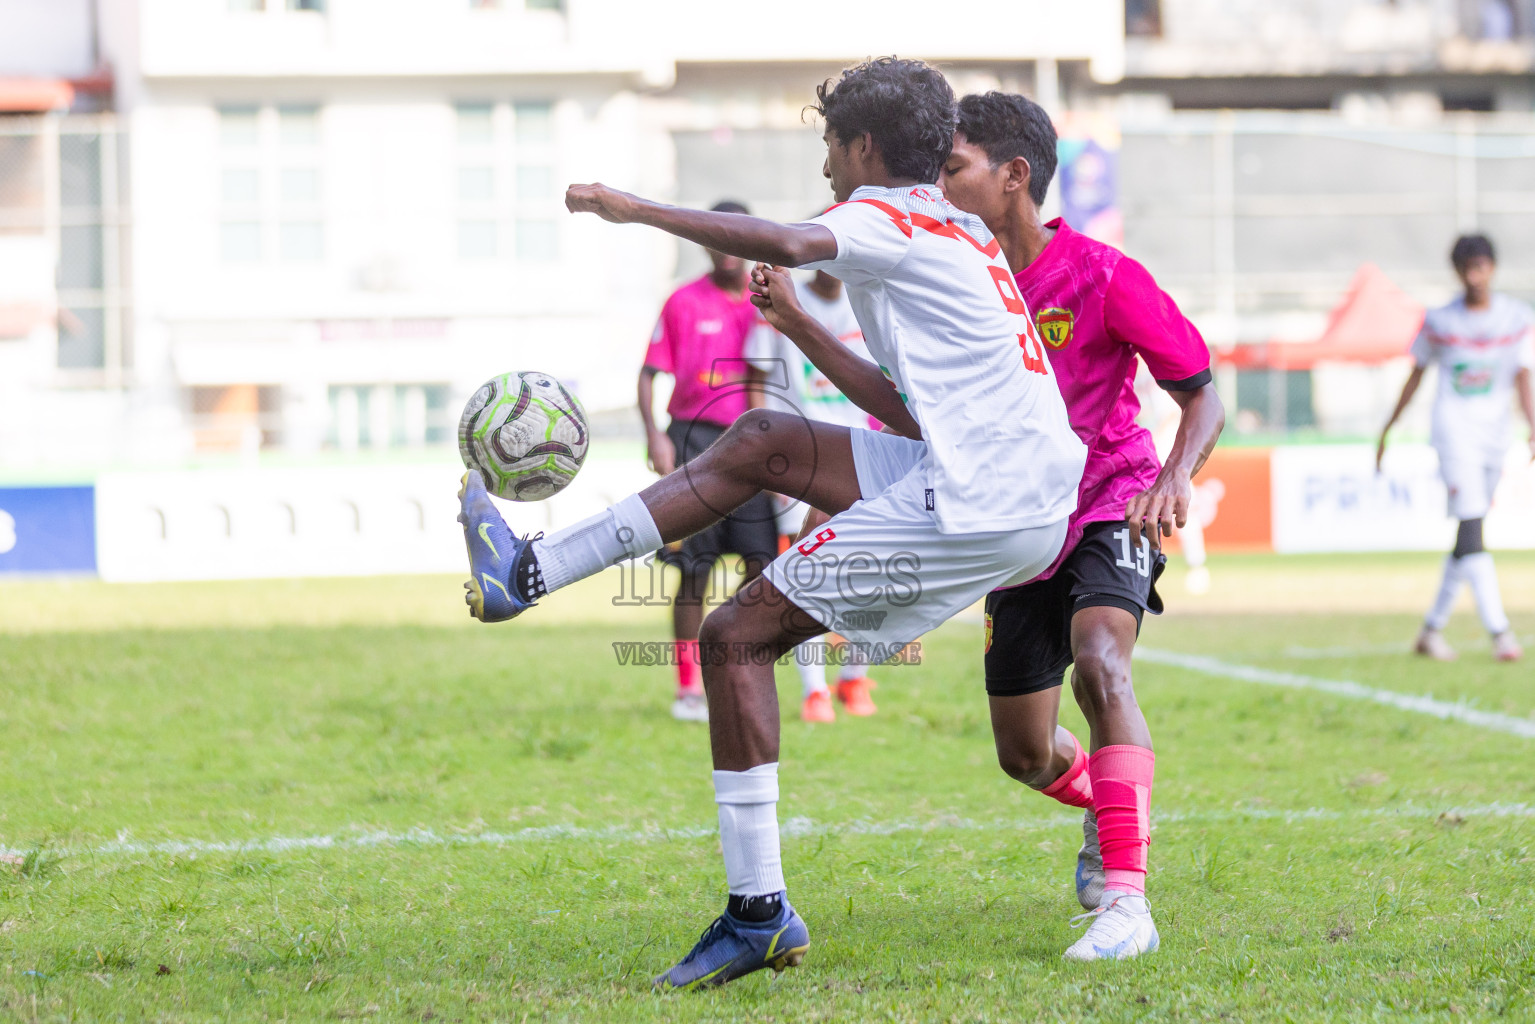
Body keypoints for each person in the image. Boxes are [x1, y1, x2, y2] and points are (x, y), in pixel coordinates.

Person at [456, 57, 1086, 987]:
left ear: (863, 147)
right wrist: (801, 332)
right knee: (759, 439)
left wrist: (637, 212)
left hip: (980, 501)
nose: (826, 164)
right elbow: (912, 411)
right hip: (999, 482)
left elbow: (786, 241)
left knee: (736, 634)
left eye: (831, 144)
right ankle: (530, 573)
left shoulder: (884, 212)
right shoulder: (955, 226)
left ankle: (756, 916)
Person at [939, 91, 1225, 961]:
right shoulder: (958, 291)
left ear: (1012, 176)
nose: (937, 186)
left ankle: (1126, 906)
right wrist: (801, 325)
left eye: (952, 169)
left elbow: (1201, 391)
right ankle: (1113, 806)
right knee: (1024, 755)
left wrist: (1173, 478)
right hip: (1015, 526)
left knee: (1102, 663)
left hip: (1113, 501)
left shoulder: (1102, 275)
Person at [638, 200, 781, 722]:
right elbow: (650, 372)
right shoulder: (682, 302)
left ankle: (734, 661)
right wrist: (655, 435)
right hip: (693, 443)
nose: (726, 250)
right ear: (705, 243)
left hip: (755, 446)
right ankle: (687, 688)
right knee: (693, 569)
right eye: (717, 239)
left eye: (737, 239)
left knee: (762, 567)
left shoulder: (769, 300)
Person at [1377, 233, 1534, 663]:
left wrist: (1533, 426)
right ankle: (1500, 633)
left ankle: (1431, 630)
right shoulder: (1440, 321)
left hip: (1495, 438)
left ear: (1493, 269)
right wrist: (1388, 428)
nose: (1475, 275)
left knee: (1468, 533)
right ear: (1458, 273)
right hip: (1454, 435)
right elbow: (1417, 374)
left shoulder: (1517, 318)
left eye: (1481, 266)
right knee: (1471, 526)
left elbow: (1523, 375)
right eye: (1468, 267)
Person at [744, 265, 880, 723]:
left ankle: (854, 677)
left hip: (864, 453)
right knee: (806, 572)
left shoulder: (870, 296)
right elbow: (757, 382)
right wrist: (766, 452)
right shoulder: (785, 298)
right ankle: (814, 690)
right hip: (800, 454)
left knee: (873, 571)